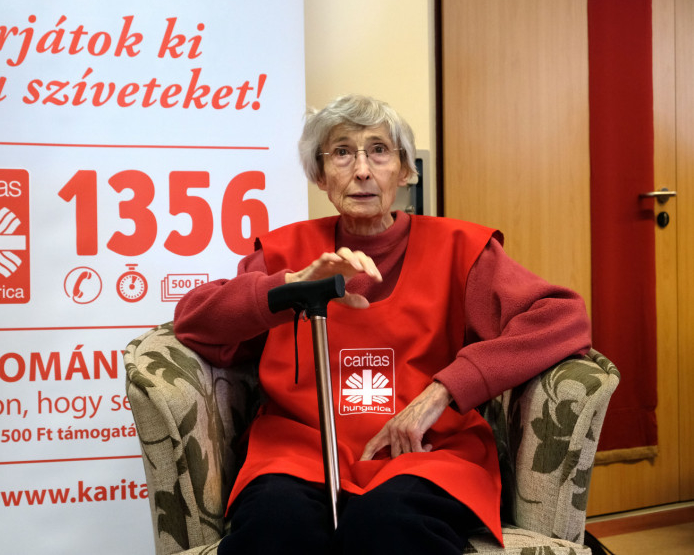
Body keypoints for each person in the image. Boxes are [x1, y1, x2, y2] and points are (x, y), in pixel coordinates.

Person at [173, 94, 591, 554]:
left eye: (378, 151)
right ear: (319, 174)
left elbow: (562, 316)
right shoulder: (283, 252)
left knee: (388, 527)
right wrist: (291, 285)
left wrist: (443, 391)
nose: (362, 170)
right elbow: (194, 322)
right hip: (300, 453)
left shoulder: (462, 248)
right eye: (342, 152)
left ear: (405, 170)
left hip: (425, 454)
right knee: (274, 528)